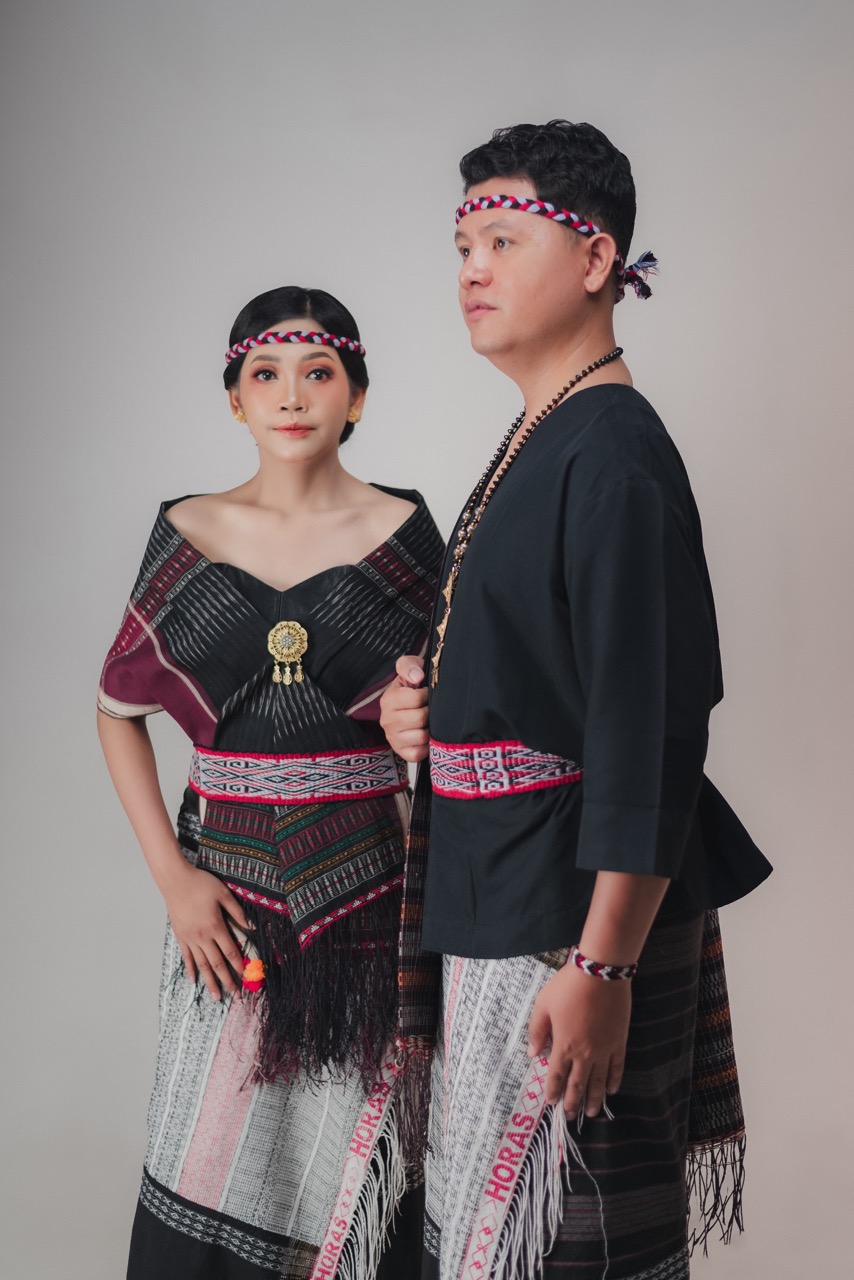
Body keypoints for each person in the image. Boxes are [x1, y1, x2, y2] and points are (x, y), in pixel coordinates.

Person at [380, 121, 772, 1280]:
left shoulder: (613, 453)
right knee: (486, 1244)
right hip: (499, 888)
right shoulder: (542, 432)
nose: (471, 269)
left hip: (570, 916)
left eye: (502, 239)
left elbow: (650, 728)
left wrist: (601, 967)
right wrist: (426, 713)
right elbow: (536, 671)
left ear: (596, 258)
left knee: (563, 1248)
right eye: (462, 246)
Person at [98, 285, 445, 1280]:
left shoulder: (408, 538)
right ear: (235, 399)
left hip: (372, 896)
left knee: (360, 1174)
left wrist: (421, 725)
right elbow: (115, 709)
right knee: (213, 1155)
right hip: (225, 904)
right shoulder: (187, 531)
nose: (292, 396)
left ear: (357, 396)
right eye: (266, 374)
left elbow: (454, 719)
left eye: (318, 372)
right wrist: (173, 880)